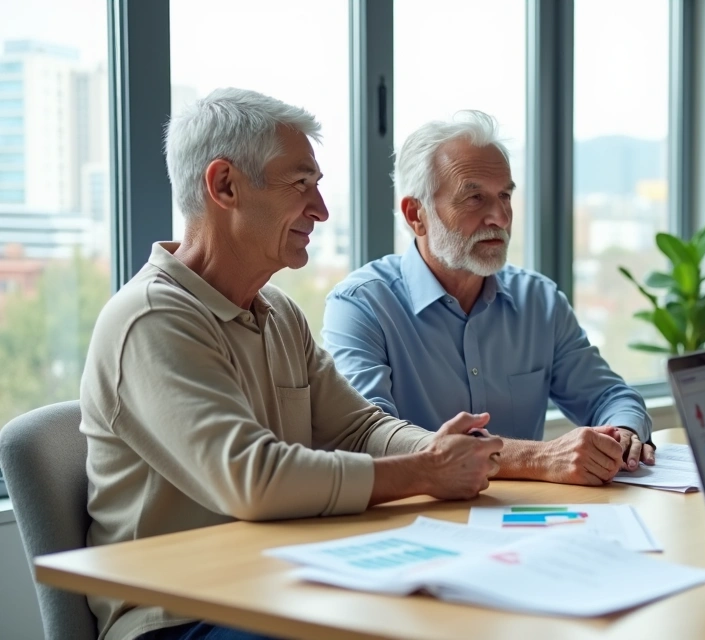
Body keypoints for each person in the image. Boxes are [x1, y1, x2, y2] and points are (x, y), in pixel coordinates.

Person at [80, 89, 504, 640]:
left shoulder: (277, 312)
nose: (321, 210)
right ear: (224, 185)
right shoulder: (151, 319)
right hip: (183, 618)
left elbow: (358, 427)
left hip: (278, 585)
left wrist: (434, 450)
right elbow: (254, 480)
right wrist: (426, 472)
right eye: (300, 184)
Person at [323, 111, 654, 487]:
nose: (499, 216)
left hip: (527, 521)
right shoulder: (360, 305)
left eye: (505, 195)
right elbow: (369, 439)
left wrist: (624, 434)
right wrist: (537, 458)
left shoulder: (539, 300)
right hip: (419, 522)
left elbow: (609, 395)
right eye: (474, 197)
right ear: (417, 215)